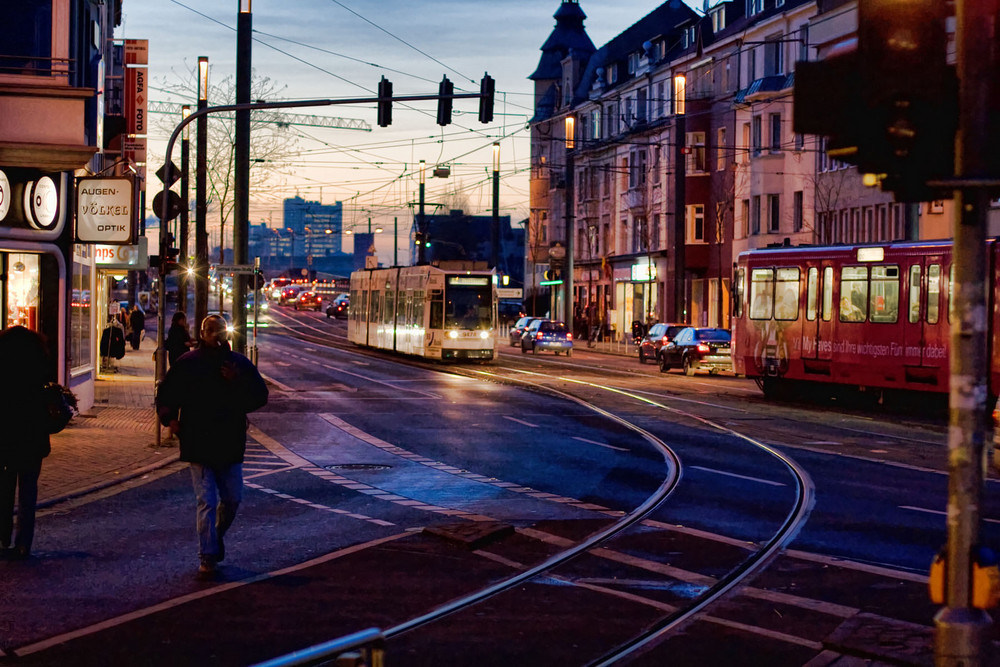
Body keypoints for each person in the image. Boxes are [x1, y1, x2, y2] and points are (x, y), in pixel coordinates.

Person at [156, 314, 269, 579]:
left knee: (232, 498)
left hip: (229, 442)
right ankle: (207, 554)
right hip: (198, 441)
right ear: (202, 334)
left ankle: (215, 538)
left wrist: (236, 380)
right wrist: (170, 418)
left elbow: (259, 396)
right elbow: (167, 393)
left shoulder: (238, 364)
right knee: (206, 501)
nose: (215, 336)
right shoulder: (189, 363)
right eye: (210, 331)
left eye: (219, 331)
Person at [0, 326, 53, 560]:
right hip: (32, 436)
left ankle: (3, 537)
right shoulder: (39, 362)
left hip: (6, 437)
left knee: (4, 488)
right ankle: (23, 543)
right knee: (28, 492)